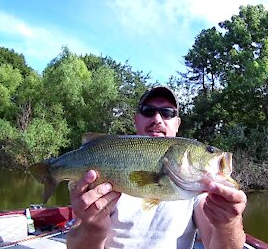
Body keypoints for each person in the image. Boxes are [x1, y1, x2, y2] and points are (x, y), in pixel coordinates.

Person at [67, 86, 247, 249]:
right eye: (148, 111)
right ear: (136, 119)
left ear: (177, 124)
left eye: (167, 112)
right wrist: (93, 227)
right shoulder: (104, 173)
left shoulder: (199, 189)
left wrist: (228, 224)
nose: (157, 119)